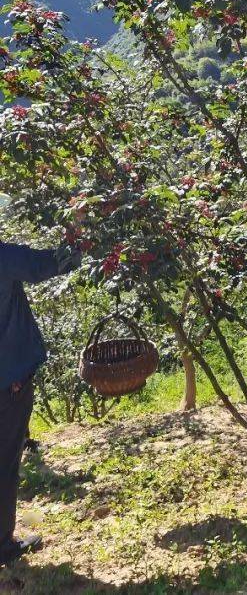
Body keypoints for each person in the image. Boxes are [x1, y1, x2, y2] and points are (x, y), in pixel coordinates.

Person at [0, 239, 80, 568]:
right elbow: (49, 263)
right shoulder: (3, 257)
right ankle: (3, 545)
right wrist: (81, 240)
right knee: (4, 464)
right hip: (8, 384)